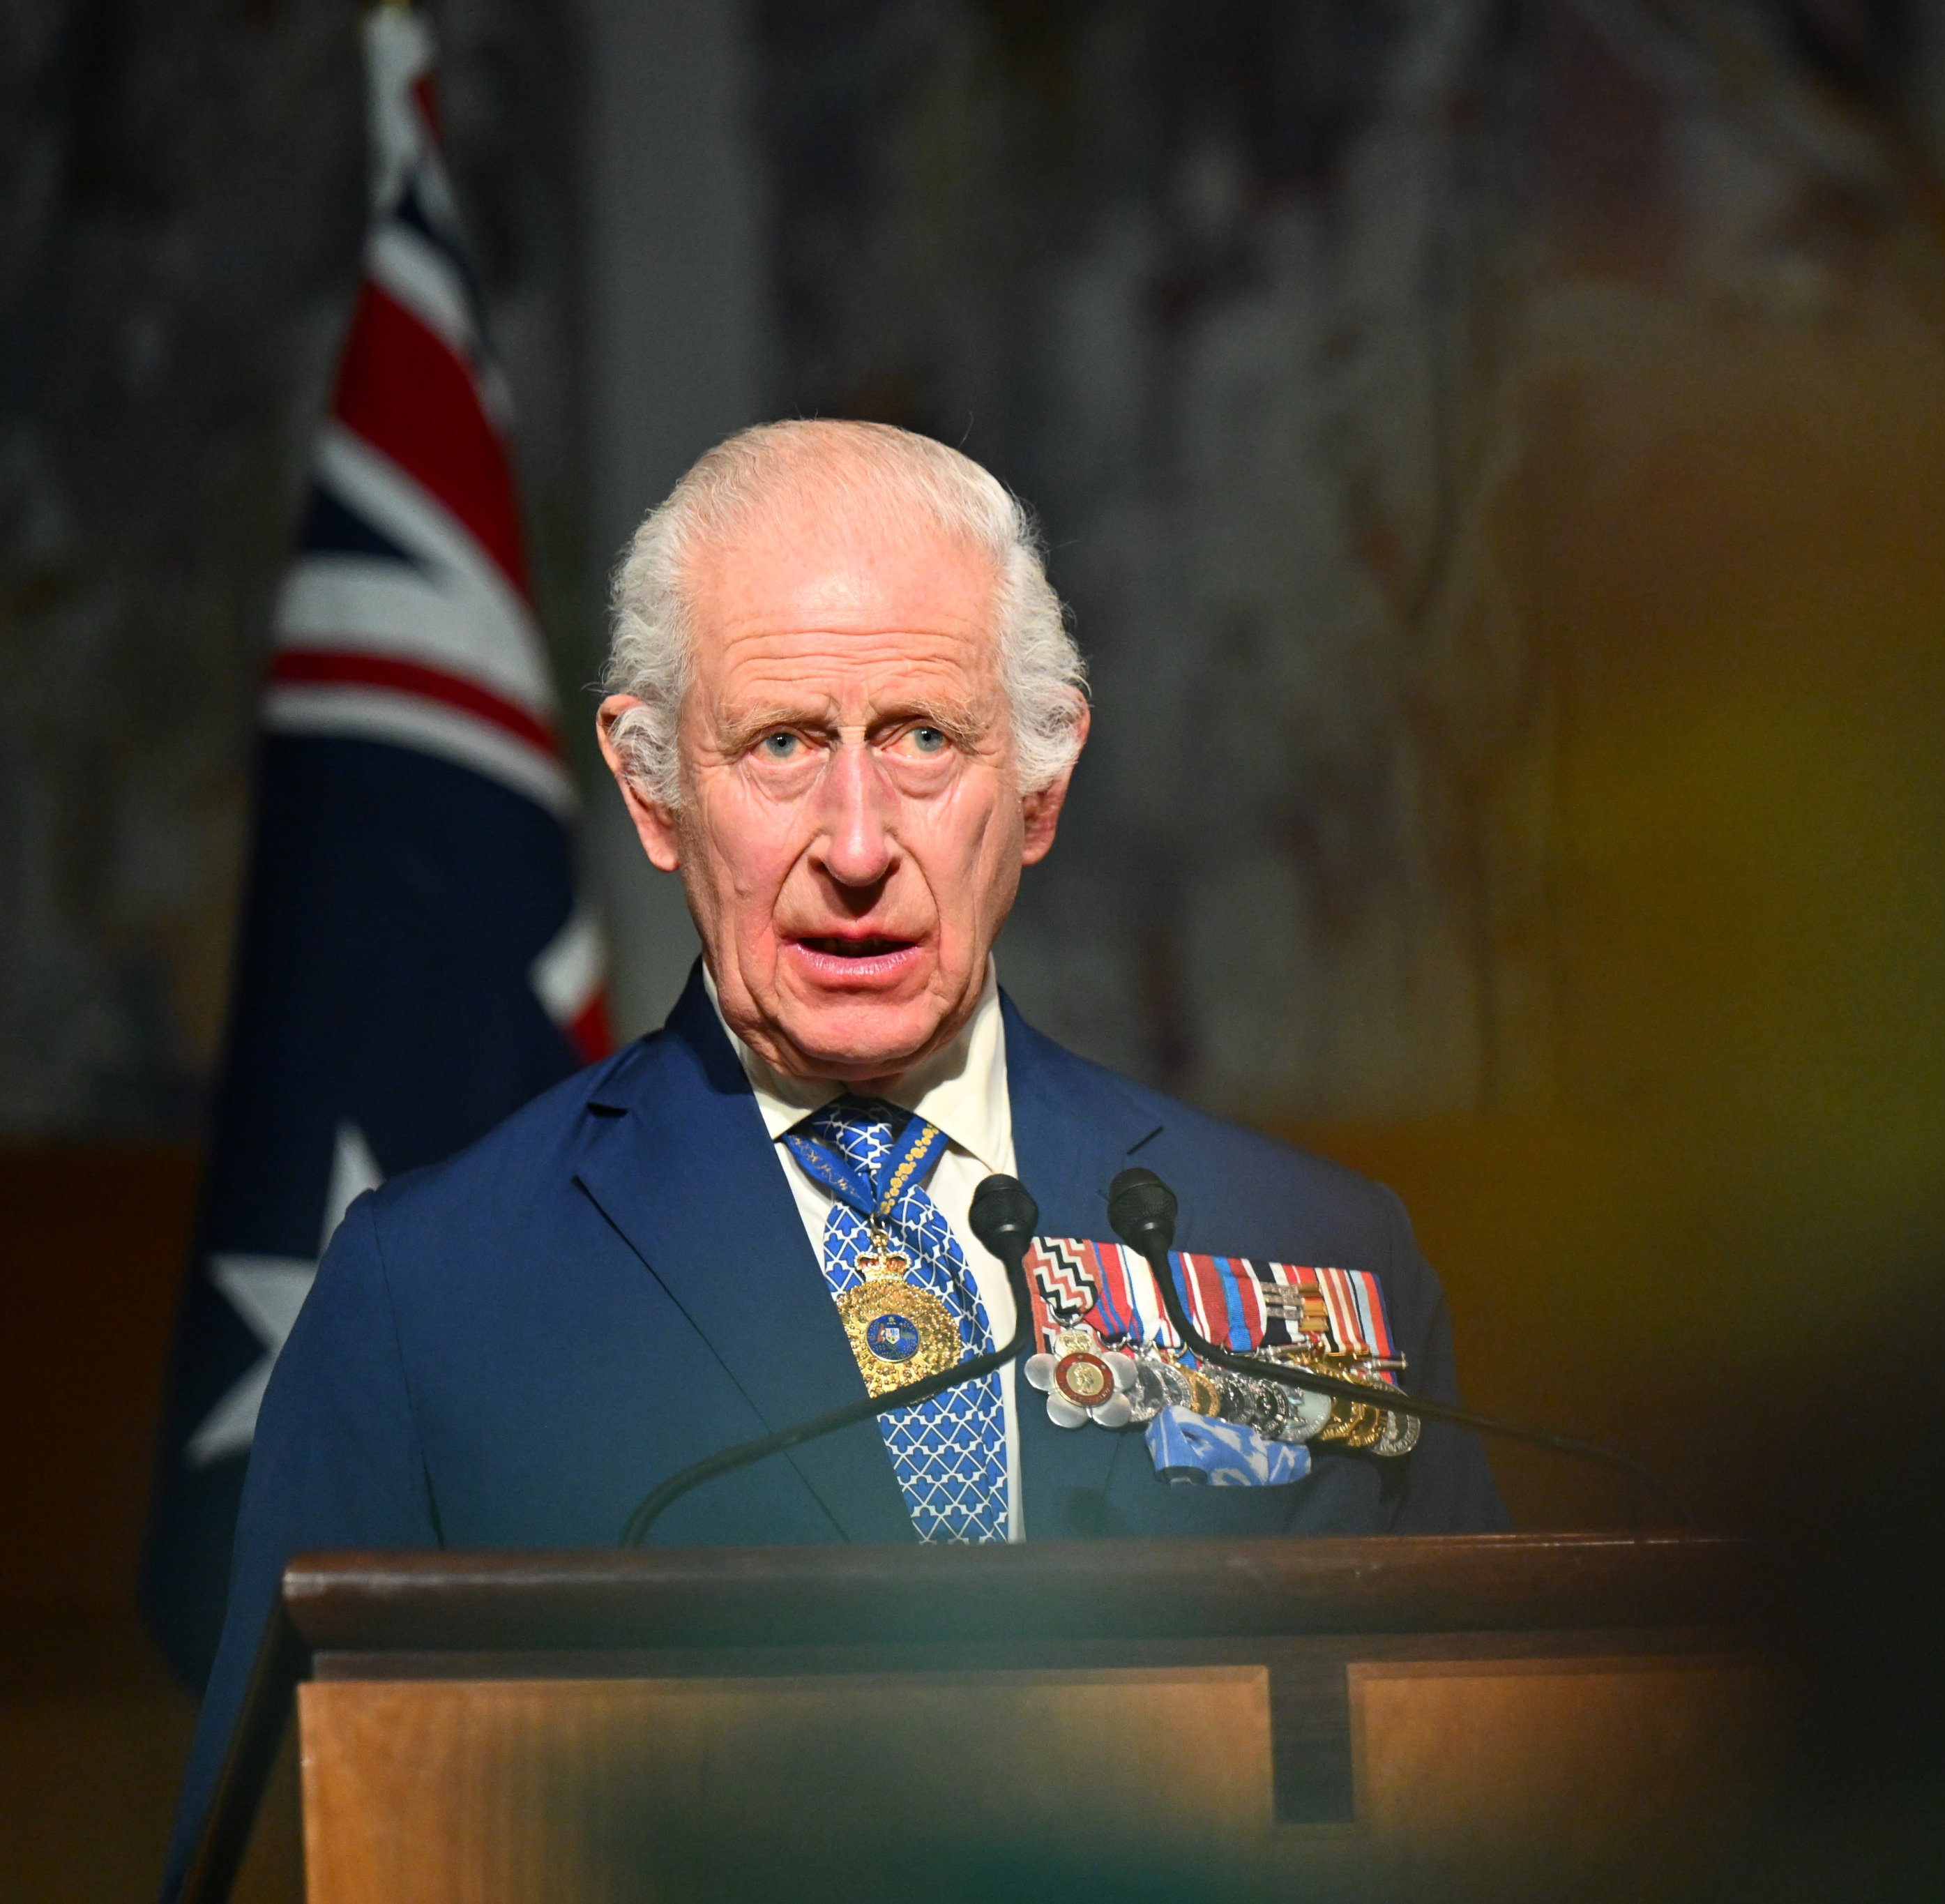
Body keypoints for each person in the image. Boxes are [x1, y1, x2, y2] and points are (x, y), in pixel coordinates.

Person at [164, 421, 1506, 1887]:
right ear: (655, 793)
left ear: (1040, 791)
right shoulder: (428, 1302)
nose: (855, 842)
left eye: (925, 737)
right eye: (782, 744)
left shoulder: (1319, 1250)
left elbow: (1484, 1809)